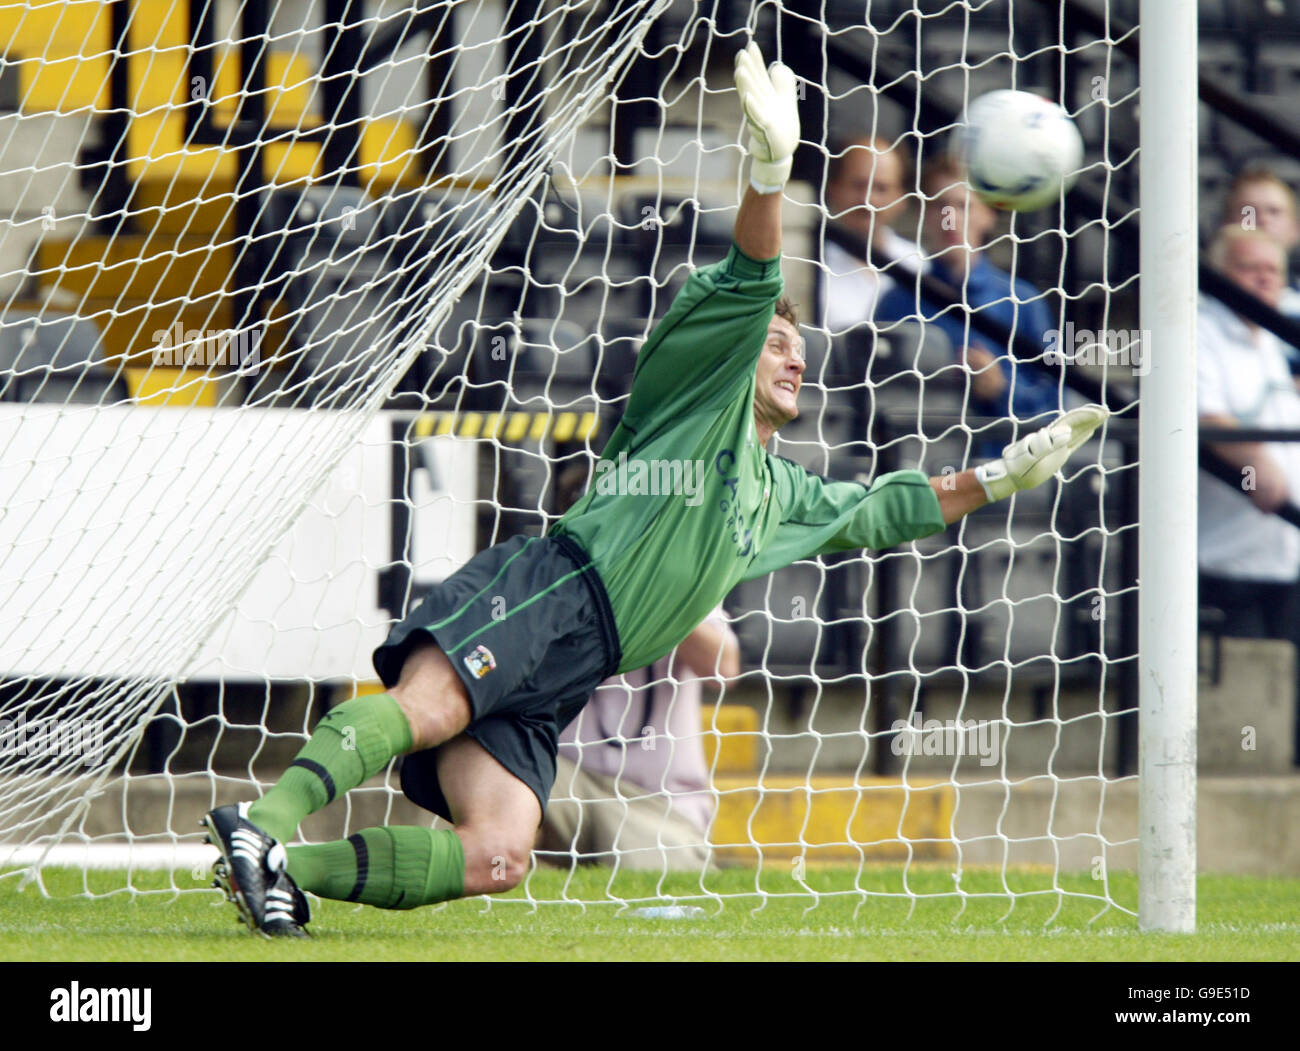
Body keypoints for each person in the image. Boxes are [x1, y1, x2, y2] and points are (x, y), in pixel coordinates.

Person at [201, 42, 1109, 936]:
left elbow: (885, 508)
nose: (795, 354)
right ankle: (265, 821)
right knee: (429, 706)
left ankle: (283, 869)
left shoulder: (779, 491)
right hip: (552, 590)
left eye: (801, 347)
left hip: (574, 666)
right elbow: (755, 277)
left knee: (499, 858)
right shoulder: (695, 396)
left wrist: (996, 478)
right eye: (777, 344)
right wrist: (767, 171)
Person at [538, 605, 738, 872]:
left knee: (659, 875)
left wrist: (657, 597)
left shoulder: (680, 575)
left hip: (657, 805)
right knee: (505, 782)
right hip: (565, 785)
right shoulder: (559, 572)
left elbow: (723, 668)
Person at [874, 154, 1059, 423]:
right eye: (940, 205)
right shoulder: (897, 301)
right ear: (923, 214)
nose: (950, 218)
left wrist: (1002, 389)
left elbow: (1056, 402)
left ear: (989, 214)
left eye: (963, 206)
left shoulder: (1025, 302)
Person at [1197, 225, 1300, 646]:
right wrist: (1255, 461)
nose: (1264, 278)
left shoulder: (1271, 339)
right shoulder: (1198, 331)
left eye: (1273, 270)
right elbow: (1199, 416)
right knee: (1245, 703)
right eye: (1248, 268)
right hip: (1228, 563)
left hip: (1283, 558)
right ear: (1218, 273)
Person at [819, 135, 919, 332]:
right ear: (833, 188)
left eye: (881, 188)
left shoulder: (918, 262)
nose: (868, 200)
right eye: (858, 185)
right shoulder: (812, 263)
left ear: (902, 198)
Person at [1221, 165, 1300, 319]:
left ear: (1295, 229)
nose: (1263, 219)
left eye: (1274, 211)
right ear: (1226, 223)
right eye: (1248, 211)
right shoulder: (1196, 303)